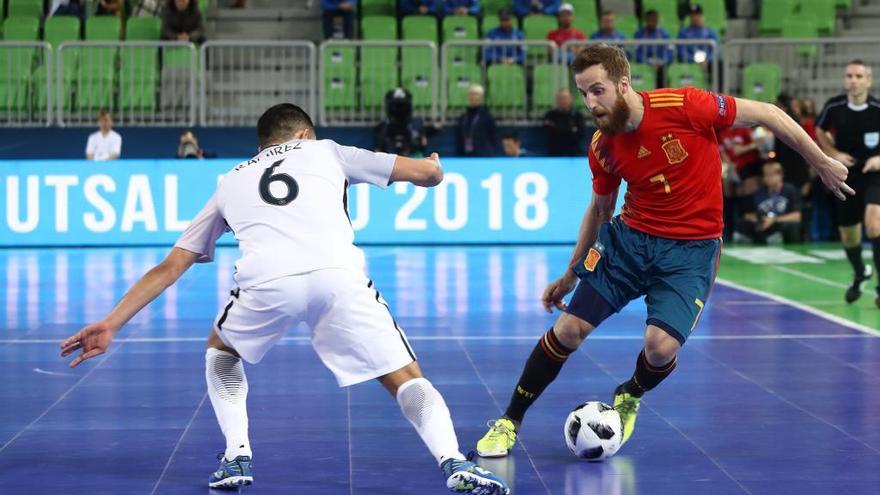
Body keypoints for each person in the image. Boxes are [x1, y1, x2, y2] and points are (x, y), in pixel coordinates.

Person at [60, 103, 510, 495]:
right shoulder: (327, 150)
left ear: (262, 146)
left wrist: (111, 322)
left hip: (265, 283)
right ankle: (453, 461)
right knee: (404, 376)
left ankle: (237, 455)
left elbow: (171, 267)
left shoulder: (231, 178)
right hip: (338, 277)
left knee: (221, 351)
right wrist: (432, 164)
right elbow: (426, 175)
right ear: (303, 135)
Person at [474, 43, 852, 458]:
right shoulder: (602, 145)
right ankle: (509, 421)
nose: (590, 103)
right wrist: (570, 273)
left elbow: (769, 113)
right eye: (583, 93)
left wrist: (820, 161)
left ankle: (630, 394)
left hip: (691, 251)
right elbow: (601, 209)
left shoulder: (686, 105)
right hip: (630, 241)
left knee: (660, 349)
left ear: (623, 83)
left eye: (597, 90)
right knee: (568, 330)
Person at [816, 60, 880, 306]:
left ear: (868, 80)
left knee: (874, 225)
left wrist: (878, 159)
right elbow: (819, 131)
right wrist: (833, 152)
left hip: (874, 173)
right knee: (848, 235)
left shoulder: (877, 108)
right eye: (849, 76)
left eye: (859, 76)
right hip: (846, 174)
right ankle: (861, 272)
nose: (853, 80)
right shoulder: (834, 106)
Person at [735, 161, 803, 244]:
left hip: (779, 225)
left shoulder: (790, 190)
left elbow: (797, 216)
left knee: (791, 226)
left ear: (780, 175)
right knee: (744, 224)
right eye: (766, 175)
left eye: (771, 175)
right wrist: (760, 220)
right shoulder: (759, 193)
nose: (768, 178)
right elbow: (749, 215)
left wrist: (773, 220)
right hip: (763, 226)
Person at [374, 87, 427, 157]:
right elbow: (378, 152)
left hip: (412, 161)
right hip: (390, 162)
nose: (399, 111)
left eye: (403, 107)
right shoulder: (382, 127)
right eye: (396, 107)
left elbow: (422, 148)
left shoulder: (416, 124)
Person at [633, 9, 673, 87]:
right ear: (646, 20)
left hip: (661, 64)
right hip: (644, 63)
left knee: (663, 72)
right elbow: (636, 52)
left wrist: (662, 62)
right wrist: (648, 62)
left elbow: (670, 52)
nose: (651, 21)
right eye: (649, 19)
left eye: (653, 19)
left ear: (657, 20)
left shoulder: (664, 34)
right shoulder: (639, 34)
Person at [457, 84, 499, 156]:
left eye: (476, 94)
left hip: (483, 156)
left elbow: (493, 138)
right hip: (465, 155)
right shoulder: (463, 117)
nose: (473, 97)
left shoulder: (487, 117)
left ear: (482, 97)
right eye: (471, 94)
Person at [542, 88, 586, 156]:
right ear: (556, 100)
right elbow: (549, 134)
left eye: (565, 98)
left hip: (573, 152)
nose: (563, 101)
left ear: (570, 99)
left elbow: (579, 135)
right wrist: (570, 129)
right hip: (553, 152)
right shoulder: (549, 115)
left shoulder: (578, 116)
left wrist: (557, 128)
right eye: (561, 98)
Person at [677, 4, 719, 76]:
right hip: (689, 64)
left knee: (718, 66)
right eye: (692, 15)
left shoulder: (710, 32)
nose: (694, 18)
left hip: (708, 64)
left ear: (701, 16)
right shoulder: (683, 33)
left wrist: (707, 60)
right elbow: (681, 51)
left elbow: (715, 50)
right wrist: (694, 60)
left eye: (697, 15)